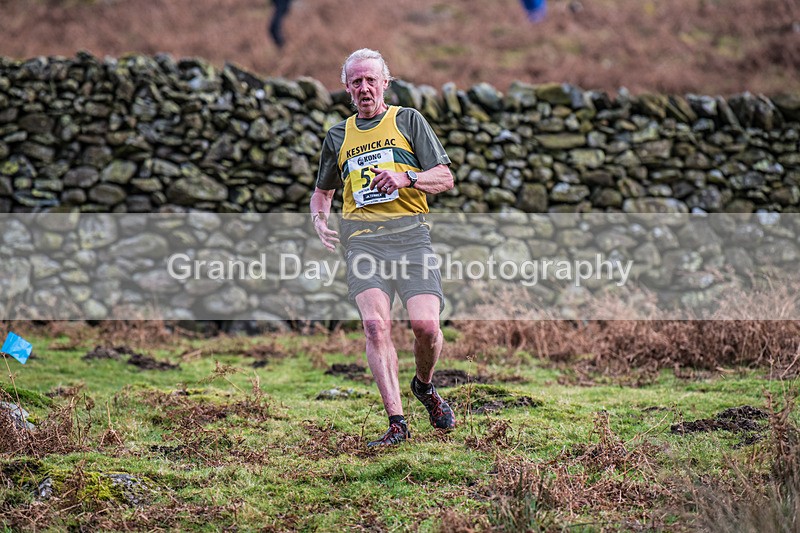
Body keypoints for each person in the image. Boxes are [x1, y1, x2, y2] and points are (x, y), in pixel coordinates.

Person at [310, 48, 456, 447]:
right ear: (346, 88)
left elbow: (445, 177)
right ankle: (397, 423)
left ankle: (424, 387)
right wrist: (319, 219)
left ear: (385, 83)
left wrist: (406, 177)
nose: (364, 88)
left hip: (411, 237)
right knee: (376, 326)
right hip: (361, 242)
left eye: (371, 80)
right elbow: (322, 192)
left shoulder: (408, 121)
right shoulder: (337, 136)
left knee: (426, 328)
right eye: (355, 81)